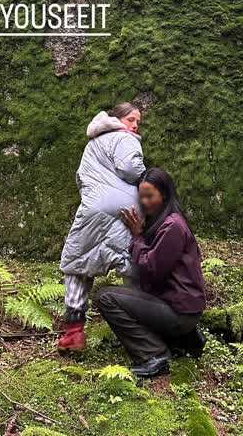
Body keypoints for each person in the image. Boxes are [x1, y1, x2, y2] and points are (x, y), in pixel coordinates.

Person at [93, 167, 207, 378]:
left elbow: (151, 268)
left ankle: (154, 355)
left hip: (180, 313)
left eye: (149, 196)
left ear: (164, 195)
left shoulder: (173, 226)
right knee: (128, 293)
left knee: (105, 297)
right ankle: (183, 340)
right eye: (141, 197)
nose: (144, 202)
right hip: (179, 308)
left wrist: (137, 236)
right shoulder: (162, 222)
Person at [58, 102, 146, 351]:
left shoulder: (93, 144)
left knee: (76, 265)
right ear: (116, 119)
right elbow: (131, 169)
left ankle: (73, 333)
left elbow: (81, 178)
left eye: (138, 122)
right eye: (131, 119)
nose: (135, 125)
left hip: (94, 208)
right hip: (128, 210)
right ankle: (140, 330)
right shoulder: (125, 138)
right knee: (132, 266)